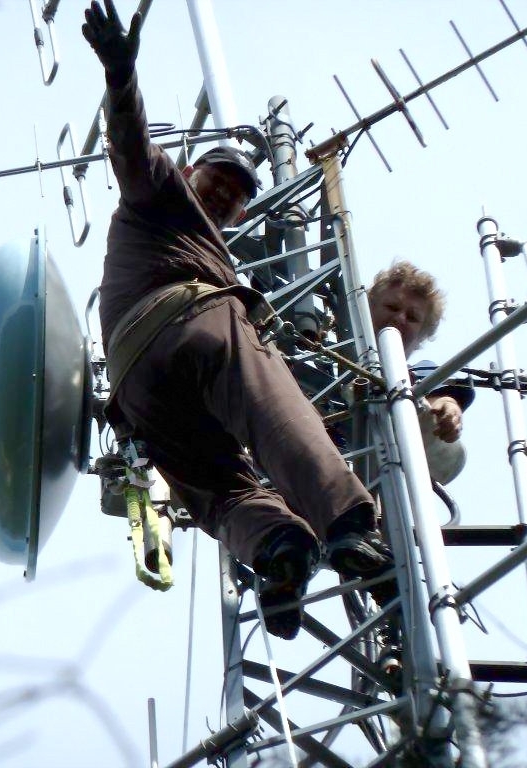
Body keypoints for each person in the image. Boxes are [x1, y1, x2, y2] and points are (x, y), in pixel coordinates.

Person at [82, 0, 391, 641]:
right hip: (193, 325)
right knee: (274, 411)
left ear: (242, 213)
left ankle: (280, 548)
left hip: (141, 392)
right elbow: (132, 149)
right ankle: (348, 525)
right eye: (218, 178)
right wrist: (121, 76)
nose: (224, 192)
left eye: (236, 193)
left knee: (221, 490)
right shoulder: (160, 195)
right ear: (189, 171)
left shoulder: (193, 237)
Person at [367, 262, 474, 482]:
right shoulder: (325, 358)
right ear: (367, 310)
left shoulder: (420, 371)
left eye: (412, 317)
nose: (399, 318)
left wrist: (448, 411)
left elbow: (440, 400)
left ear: (421, 338)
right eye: (392, 307)